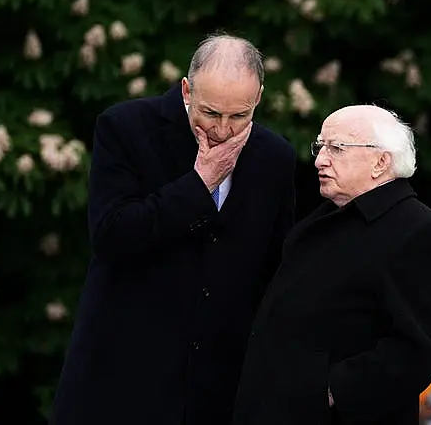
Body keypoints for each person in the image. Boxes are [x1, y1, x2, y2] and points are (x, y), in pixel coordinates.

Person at [50, 34, 297, 425]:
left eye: (239, 116)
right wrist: (199, 184)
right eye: (211, 113)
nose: (223, 130)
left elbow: (273, 271)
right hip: (122, 378)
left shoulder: (276, 158)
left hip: (219, 388)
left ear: (259, 99)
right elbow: (111, 235)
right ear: (187, 89)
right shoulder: (125, 128)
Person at [232, 105, 431, 425]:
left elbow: (417, 350)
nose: (320, 159)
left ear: (380, 162)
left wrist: (330, 390)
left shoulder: (416, 229)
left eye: (337, 148)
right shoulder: (325, 219)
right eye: (320, 146)